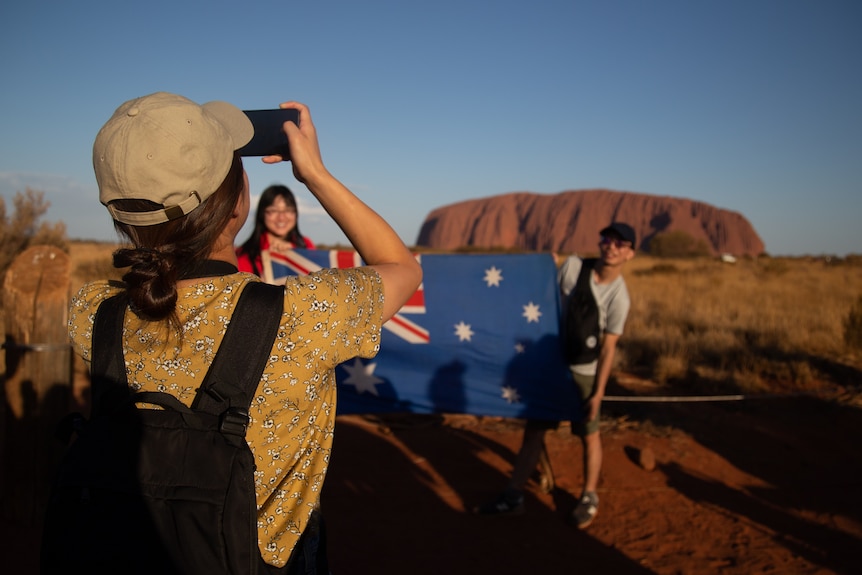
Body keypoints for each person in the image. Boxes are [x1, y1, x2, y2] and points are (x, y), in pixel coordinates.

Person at [64, 92, 422, 570]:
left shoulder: (93, 314)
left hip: (131, 547)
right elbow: (402, 267)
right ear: (236, 204)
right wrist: (314, 173)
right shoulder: (305, 315)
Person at [475, 222, 635, 530]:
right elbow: (543, 294)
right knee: (534, 431)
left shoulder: (619, 297)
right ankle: (513, 496)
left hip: (585, 373)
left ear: (630, 254)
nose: (612, 246)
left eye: (621, 244)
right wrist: (542, 267)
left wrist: (598, 393)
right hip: (551, 365)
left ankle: (589, 496)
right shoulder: (574, 267)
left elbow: (609, 348)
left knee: (589, 434)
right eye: (607, 239)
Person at [237, 184, 315, 277]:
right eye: (273, 211)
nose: (281, 218)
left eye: (288, 210)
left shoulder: (306, 245)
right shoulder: (244, 255)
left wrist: (295, 255)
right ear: (262, 214)